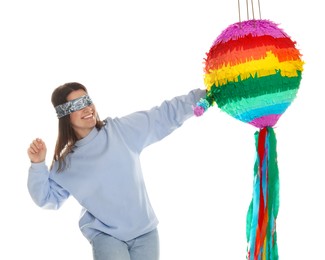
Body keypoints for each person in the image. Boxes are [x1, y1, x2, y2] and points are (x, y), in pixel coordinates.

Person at [27, 82, 206, 260]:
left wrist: (204, 96)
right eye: (77, 105)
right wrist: (38, 164)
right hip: (106, 235)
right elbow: (47, 199)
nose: (87, 108)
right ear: (64, 115)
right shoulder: (66, 163)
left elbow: (163, 116)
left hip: (145, 231)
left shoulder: (120, 130)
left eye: (87, 101)